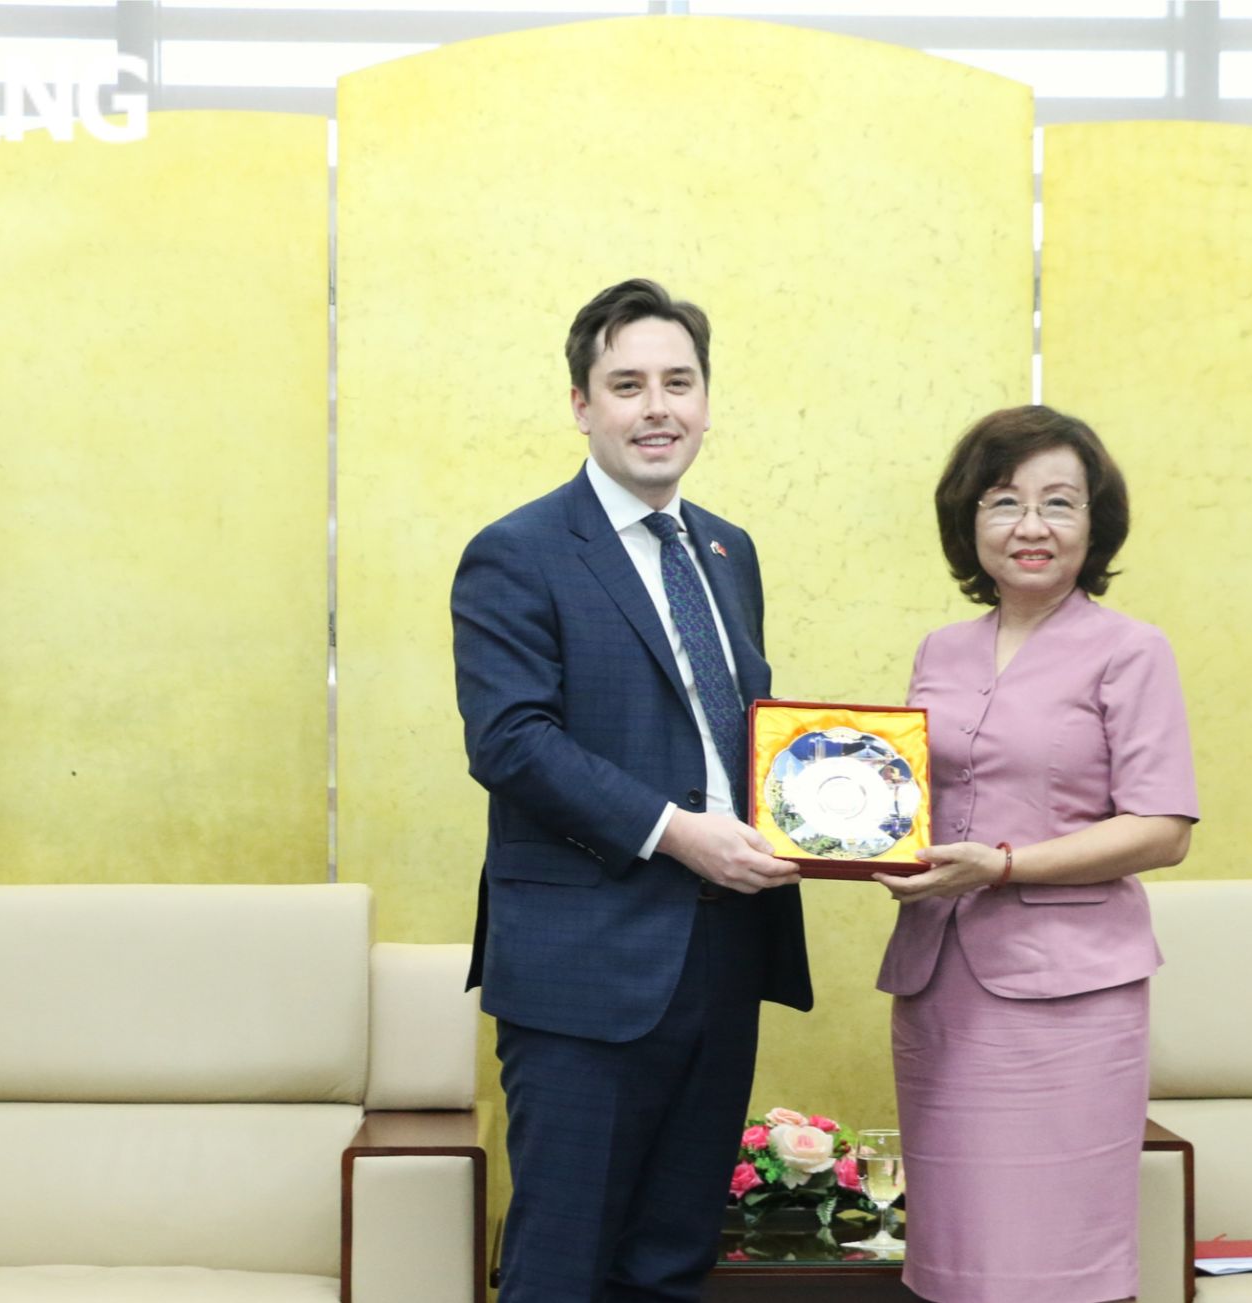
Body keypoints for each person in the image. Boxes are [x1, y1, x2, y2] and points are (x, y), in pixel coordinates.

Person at [452, 277, 812, 1303]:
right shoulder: (516, 552)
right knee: (560, 1267)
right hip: (585, 971)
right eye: (626, 384)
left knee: (671, 1258)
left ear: (704, 399)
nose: (657, 406)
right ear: (582, 404)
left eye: (678, 382)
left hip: (721, 949)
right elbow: (511, 741)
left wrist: (829, 815)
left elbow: (735, 733)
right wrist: (676, 832)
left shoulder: (724, 549)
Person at [873, 404, 1197, 1303]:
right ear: (967, 519)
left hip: (1071, 1001)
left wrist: (1005, 863)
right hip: (940, 987)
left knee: (1059, 1260)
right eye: (1004, 501)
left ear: (1095, 525)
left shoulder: (1131, 650)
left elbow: (1162, 828)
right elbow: (918, 802)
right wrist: (869, 845)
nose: (1031, 526)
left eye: (1059, 503)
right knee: (955, 1257)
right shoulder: (940, 650)